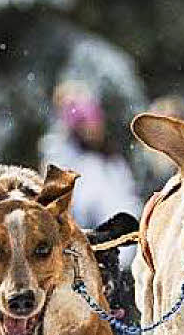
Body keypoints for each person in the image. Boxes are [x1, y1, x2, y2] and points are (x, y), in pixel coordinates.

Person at [39, 80, 140, 228]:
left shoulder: (112, 161)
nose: (93, 131)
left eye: (96, 125)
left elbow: (128, 197)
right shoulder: (65, 158)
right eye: (86, 126)